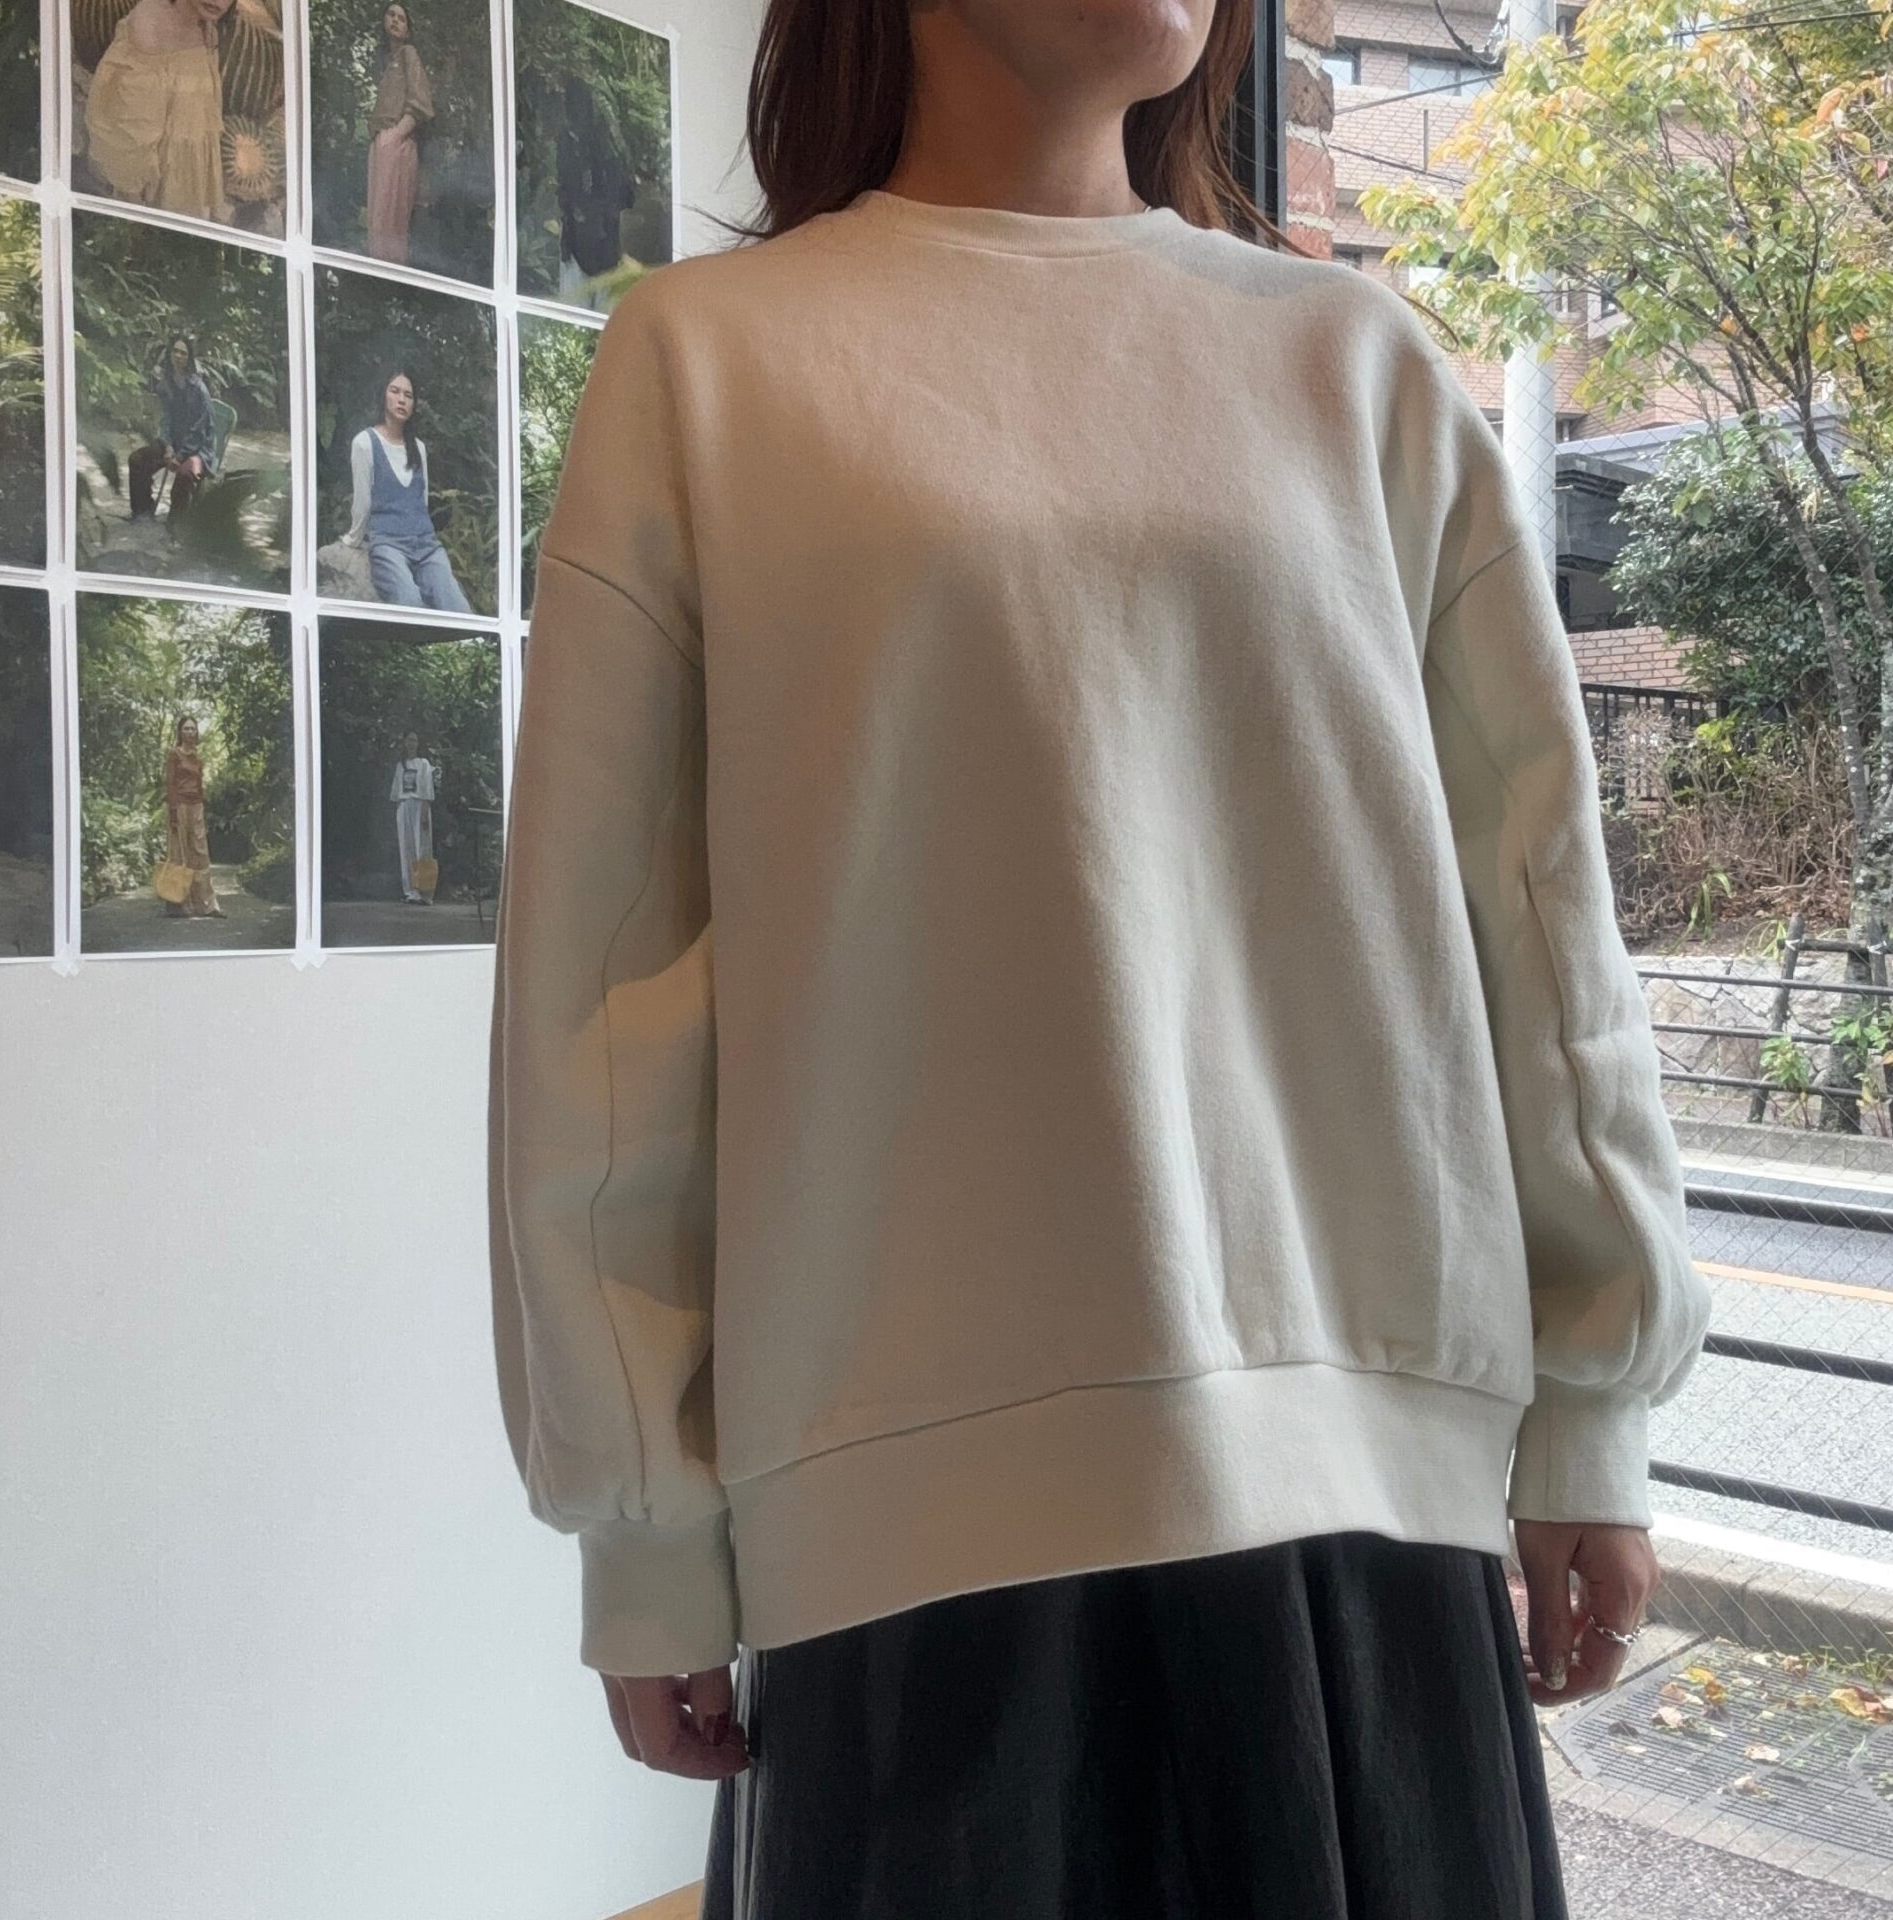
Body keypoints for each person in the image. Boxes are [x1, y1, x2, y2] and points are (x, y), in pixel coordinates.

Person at [486, 3, 1716, 1915]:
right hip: (909, 1551)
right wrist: (644, 1526)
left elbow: (1544, 918)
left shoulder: (1360, 370)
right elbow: (607, 997)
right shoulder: (707, 366)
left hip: (1363, 1511)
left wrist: (1590, 1405)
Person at [83, 0, 235, 226]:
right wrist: (137, 212)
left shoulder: (202, 21)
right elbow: (132, 134)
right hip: (161, 183)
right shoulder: (150, 31)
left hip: (191, 160)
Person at [339, 369, 471, 612]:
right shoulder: (365, 443)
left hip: (426, 546)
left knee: (458, 608)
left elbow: (421, 500)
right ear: (383, 396)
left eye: (408, 395)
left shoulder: (418, 447)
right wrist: (353, 539)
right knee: (408, 601)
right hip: (388, 544)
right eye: (395, 391)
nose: (402, 400)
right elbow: (362, 501)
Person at [365, 3, 433, 265]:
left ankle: (389, 277)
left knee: (390, 219)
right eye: (391, 15)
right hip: (382, 142)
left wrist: (393, 137)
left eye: (401, 18)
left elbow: (420, 103)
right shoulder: (388, 61)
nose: (395, 21)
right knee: (377, 218)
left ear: (408, 29)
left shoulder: (408, 54)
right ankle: (376, 276)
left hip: (397, 143)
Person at [130, 334, 218, 522]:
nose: (178, 356)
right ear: (170, 354)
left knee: (184, 474)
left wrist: (180, 456)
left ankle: (176, 525)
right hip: (174, 444)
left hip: (198, 449)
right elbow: (166, 419)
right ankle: (142, 511)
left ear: (189, 358)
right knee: (138, 459)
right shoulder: (166, 384)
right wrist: (168, 445)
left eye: (183, 353)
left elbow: (200, 431)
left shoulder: (198, 389)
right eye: (175, 351)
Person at [162, 714, 224, 919]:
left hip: (196, 806)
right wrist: (173, 813)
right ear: (180, 732)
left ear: (197, 732)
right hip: (178, 805)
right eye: (186, 728)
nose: (190, 732)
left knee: (200, 852)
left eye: (193, 729)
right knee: (179, 853)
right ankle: (179, 904)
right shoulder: (174, 754)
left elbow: (199, 786)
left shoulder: (198, 758)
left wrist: (201, 808)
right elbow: (170, 783)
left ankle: (207, 905)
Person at [388, 728, 436, 903]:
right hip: (404, 807)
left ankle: (425, 893)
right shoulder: (400, 765)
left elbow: (427, 790)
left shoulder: (423, 763)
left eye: (414, 740)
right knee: (406, 849)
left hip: (419, 806)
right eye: (409, 740)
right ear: (404, 742)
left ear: (418, 743)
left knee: (422, 848)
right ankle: (410, 891)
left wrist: (424, 812)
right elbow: (396, 793)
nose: (411, 743)